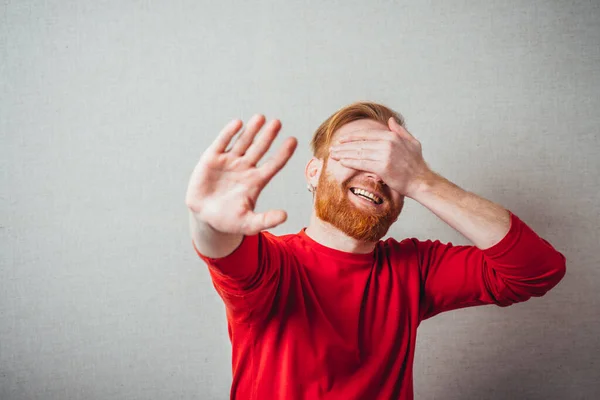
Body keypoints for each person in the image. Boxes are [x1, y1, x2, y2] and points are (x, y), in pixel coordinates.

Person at [184, 102, 566, 400]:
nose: (377, 174)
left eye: (392, 164)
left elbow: (537, 270)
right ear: (314, 173)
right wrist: (207, 220)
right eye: (356, 155)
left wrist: (422, 180)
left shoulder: (415, 268)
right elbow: (225, 250)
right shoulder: (274, 264)